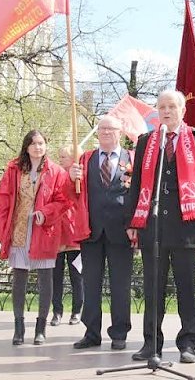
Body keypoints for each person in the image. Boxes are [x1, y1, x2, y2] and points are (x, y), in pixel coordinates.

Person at [125, 89, 195, 364]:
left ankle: (188, 342)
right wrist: (132, 220)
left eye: (171, 107)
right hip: (152, 224)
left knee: (185, 287)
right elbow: (136, 187)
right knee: (153, 287)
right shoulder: (146, 142)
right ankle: (151, 344)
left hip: (185, 226)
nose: (166, 111)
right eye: (162, 107)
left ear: (182, 111)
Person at [0, 130, 71, 346]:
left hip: (44, 230)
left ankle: (41, 328)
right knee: (19, 279)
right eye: (34, 143)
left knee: (46, 279)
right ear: (26, 146)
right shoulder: (13, 169)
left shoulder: (56, 172)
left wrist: (45, 213)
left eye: (42, 143)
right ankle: (18, 327)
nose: (38, 147)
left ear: (46, 146)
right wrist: (0, 229)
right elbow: (2, 200)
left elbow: (63, 200)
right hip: (19, 229)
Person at [68, 116, 134, 351]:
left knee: (120, 285)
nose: (105, 132)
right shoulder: (85, 159)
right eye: (102, 128)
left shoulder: (132, 158)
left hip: (122, 231)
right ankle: (91, 332)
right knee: (91, 283)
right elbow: (72, 193)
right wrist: (71, 177)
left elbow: (137, 195)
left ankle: (119, 332)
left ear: (120, 132)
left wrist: (135, 224)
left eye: (110, 128)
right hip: (91, 230)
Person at [50, 144, 84, 327]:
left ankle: (77, 310)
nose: (60, 159)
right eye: (60, 156)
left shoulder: (81, 176)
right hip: (57, 232)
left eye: (64, 156)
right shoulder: (54, 175)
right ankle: (56, 311)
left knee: (76, 276)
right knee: (55, 276)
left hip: (74, 233)